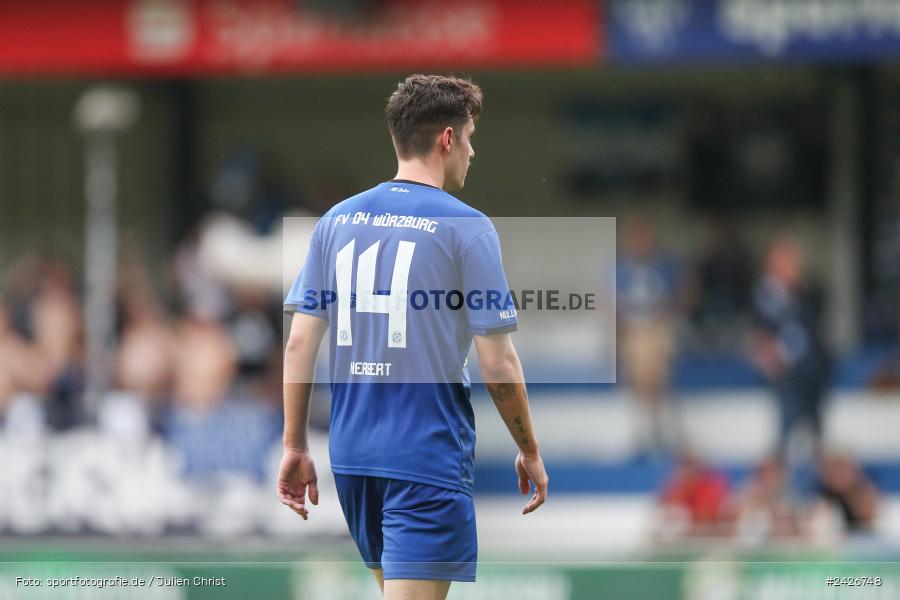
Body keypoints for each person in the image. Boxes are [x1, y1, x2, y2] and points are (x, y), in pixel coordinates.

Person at [278, 74, 548, 600]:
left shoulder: (336, 221)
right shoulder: (467, 227)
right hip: (424, 456)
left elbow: (299, 344)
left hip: (354, 457)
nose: (472, 151)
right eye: (470, 137)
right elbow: (498, 365)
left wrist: (293, 444)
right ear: (447, 138)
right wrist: (529, 448)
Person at [750, 236, 830, 459]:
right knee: (788, 423)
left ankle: (816, 467)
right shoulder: (765, 294)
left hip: (812, 365)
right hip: (786, 369)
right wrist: (768, 358)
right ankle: (782, 471)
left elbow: (814, 325)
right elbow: (760, 332)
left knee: (815, 423)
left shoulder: (804, 292)